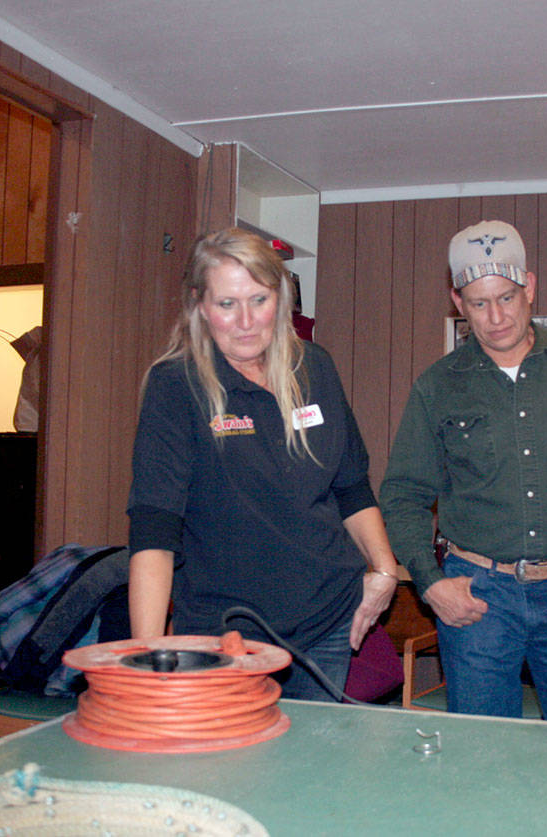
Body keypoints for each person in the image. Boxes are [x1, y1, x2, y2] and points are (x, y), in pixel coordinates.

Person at [380, 220, 547, 719]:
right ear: (458, 304)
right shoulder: (438, 386)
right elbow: (403, 495)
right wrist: (430, 581)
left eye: (507, 297)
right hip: (476, 596)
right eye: (478, 304)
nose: (496, 316)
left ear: (530, 286)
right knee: (484, 754)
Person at [127, 227, 399, 701]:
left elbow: (351, 487)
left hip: (329, 622)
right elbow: (154, 530)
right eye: (227, 304)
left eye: (259, 299)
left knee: (309, 770)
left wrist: (384, 570)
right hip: (228, 639)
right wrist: (148, 658)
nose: (247, 321)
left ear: (282, 296)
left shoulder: (315, 367)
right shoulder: (176, 387)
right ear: (199, 305)